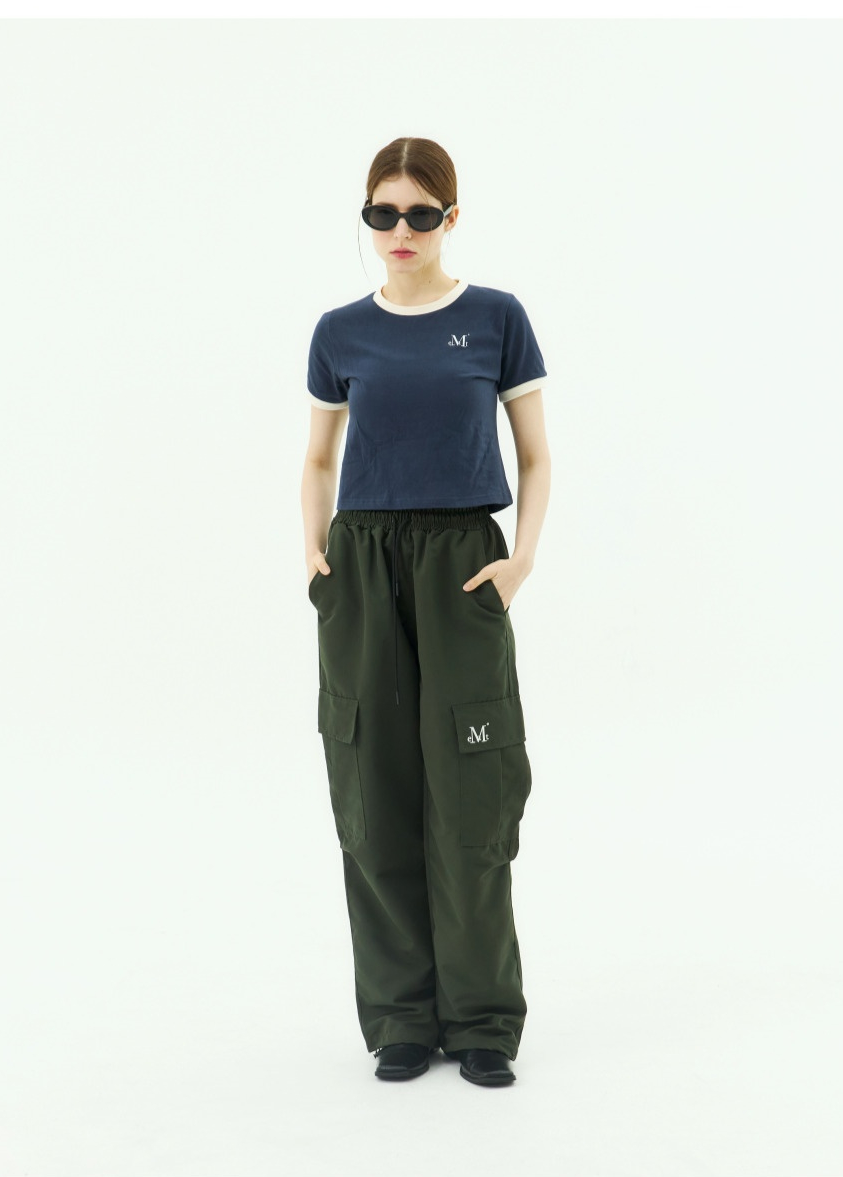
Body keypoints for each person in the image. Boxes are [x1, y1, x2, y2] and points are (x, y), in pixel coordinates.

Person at [303, 130, 550, 1084]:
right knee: (373, 788)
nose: (399, 229)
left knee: (472, 789)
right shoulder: (339, 331)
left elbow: (535, 452)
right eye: (382, 212)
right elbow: (319, 455)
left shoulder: (494, 317)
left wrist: (520, 558)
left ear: (451, 216)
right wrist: (316, 555)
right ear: (367, 217)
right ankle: (401, 1015)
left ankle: (482, 1018)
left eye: (418, 212)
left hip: (463, 563)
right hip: (362, 563)